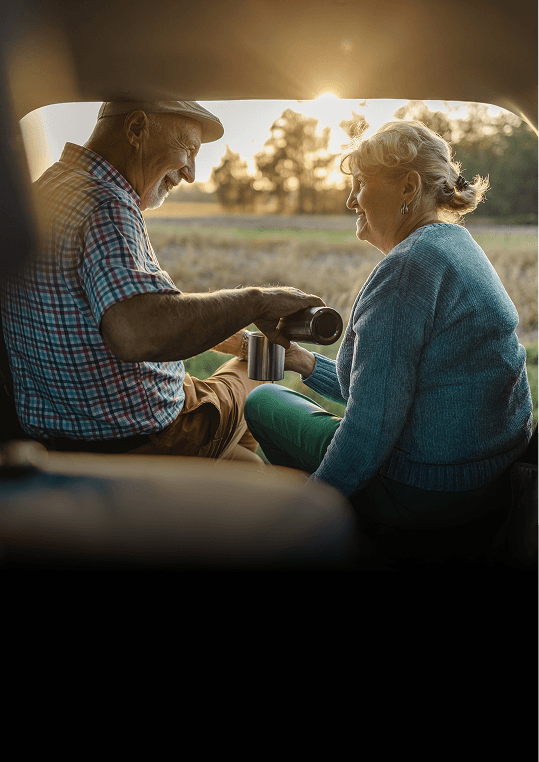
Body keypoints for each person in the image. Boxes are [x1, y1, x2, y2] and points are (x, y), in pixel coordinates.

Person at [244, 118, 533, 530]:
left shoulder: (407, 271)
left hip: (426, 494)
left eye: (360, 182)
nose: (350, 200)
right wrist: (304, 362)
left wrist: (305, 512)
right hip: (485, 478)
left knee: (263, 402)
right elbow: (386, 390)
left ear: (408, 188)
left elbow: (369, 430)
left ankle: (347, 523)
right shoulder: (457, 245)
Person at [0, 100, 322, 463]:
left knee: (242, 454)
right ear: (137, 129)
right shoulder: (107, 202)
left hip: (65, 432)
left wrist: (238, 340)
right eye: (190, 149)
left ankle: (235, 475)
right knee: (259, 371)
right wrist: (257, 301)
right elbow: (137, 331)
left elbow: (126, 310)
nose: (191, 174)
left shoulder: (46, 189)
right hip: (151, 438)